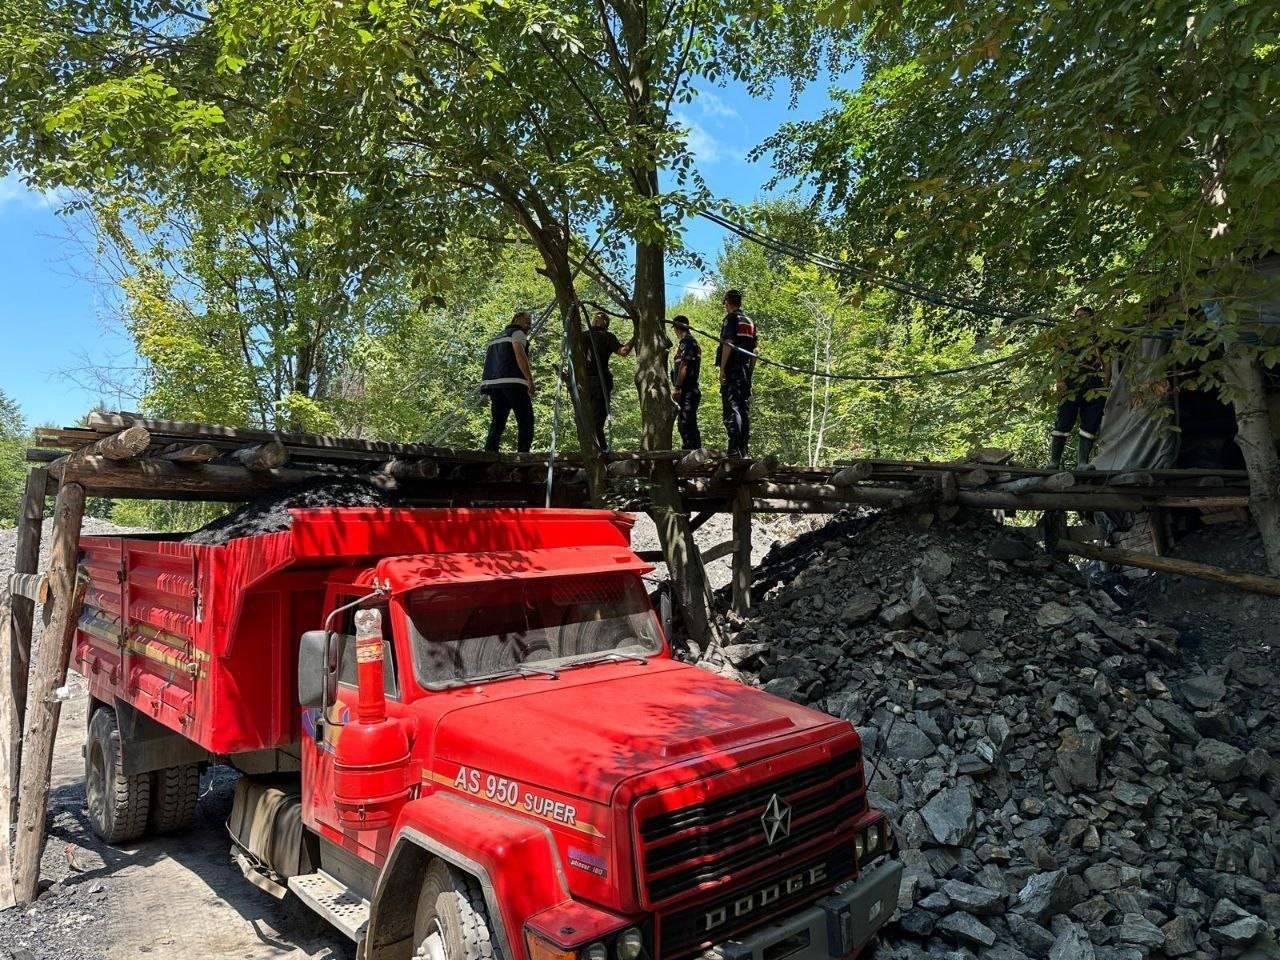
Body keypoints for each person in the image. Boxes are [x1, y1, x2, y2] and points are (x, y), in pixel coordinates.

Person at [1049, 306, 1108, 468]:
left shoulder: (1099, 338)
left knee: (1090, 424)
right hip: (1070, 385)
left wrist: (1105, 385)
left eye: (1085, 316)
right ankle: (1054, 461)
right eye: (1078, 316)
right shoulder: (1067, 338)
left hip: (1094, 385)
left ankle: (1082, 462)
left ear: (1092, 318)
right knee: (1063, 421)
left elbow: (1106, 362)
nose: (1081, 319)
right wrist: (1059, 381)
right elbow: (1057, 360)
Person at [481, 310, 536, 453]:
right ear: (516, 318)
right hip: (514, 383)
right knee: (526, 419)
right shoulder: (518, 334)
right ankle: (523, 453)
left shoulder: (496, 338)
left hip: (495, 385)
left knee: (498, 421)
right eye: (527, 321)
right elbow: (520, 355)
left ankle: (490, 451)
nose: (529, 326)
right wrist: (529, 379)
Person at [583, 310, 633, 452]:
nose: (597, 319)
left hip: (599, 382)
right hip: (588, 382)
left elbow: (623, 351)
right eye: (596, 317)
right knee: (588, 420)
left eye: (601, 318)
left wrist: (636, 336)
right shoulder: (582, 335)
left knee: (596, 420)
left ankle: (601, 451)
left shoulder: (606, 336)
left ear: (606, 323)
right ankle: (596, 451)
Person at [717, 289, 757, 457]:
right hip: (744, 370)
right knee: (743, 409)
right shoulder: (749, 321)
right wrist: (749, 373)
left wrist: (723, 369)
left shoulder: (731, 319)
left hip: (732, 369)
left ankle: (734, 449)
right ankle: (744, 449)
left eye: (724, 302)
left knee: (732, 408)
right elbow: (755, 351)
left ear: (727, 301)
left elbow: (728, 344)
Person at [670, 315, 702, 450]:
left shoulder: (688, 342)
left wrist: (677, 387)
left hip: (687, 389)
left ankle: (692, 451)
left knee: (687, 421)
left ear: (678, 328)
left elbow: (684, 365)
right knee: (684, 422)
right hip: (688, 389)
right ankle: (690, 449)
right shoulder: (687, 343)